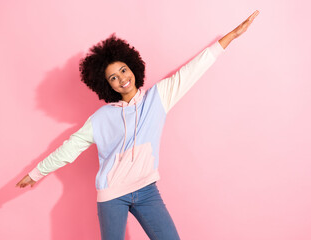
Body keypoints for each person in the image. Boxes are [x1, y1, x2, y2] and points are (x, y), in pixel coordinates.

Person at [16, 10, 259, 240]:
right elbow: (70, 148)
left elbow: (192, 71)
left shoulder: (158, 98)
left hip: (147, 191)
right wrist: (37, 173)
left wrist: (232, 36)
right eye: (113, 77)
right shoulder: (101, 118)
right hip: (112, 196)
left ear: (133, 67)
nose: (122, 78)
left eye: (123, 70)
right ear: (107, 85)